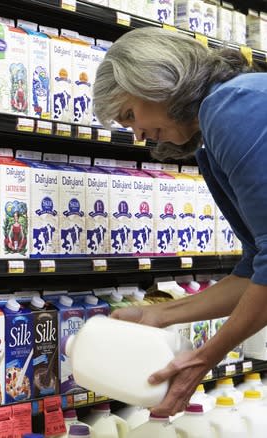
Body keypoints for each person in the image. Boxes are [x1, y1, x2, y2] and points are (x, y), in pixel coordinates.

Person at [92, 26, 266, 416]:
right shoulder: (221, 122)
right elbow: (256, 268)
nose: (137, 134)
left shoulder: (233, 108)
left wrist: (203, 358)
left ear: (156, 81)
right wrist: (159, 314)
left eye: (130, 115)